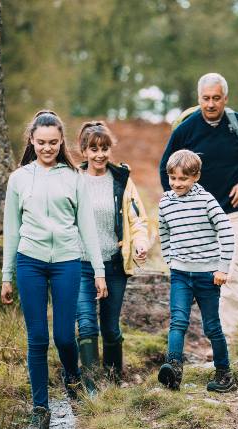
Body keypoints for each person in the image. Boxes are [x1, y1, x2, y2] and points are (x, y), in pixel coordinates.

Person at [1, 110, 107, 429]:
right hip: (29, 262)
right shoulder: (19, 179)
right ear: (32, 142)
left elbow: (87, 228)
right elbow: (11, 229)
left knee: (63, 336)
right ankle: (40, 411)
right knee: (37, 340)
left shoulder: (74, 177)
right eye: (41, 142)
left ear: (61, 142)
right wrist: (7, 275)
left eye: (53, 142)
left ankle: (72, 376)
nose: (47, 148)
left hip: (67, 261)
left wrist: (99, 270)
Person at [159, 73, 238, 337]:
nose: (210, 104)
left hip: (231, 213)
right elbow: (165, 169)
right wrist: (179, 205)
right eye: (206, 98)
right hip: (197, 218)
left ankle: (230, 343)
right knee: (204, 278)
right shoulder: (186, 130)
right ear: (199, 99)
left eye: (216, 98)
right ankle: (212, 338)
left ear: (225, 99)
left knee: (229, 272)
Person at [74, 121, 150, 394]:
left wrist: (140, 242)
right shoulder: (73, 180)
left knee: (110, 328)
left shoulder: (122, 180)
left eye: (104, 148)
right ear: (83, 150)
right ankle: (94, 390)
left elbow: (137, 218)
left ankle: (114, 383)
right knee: (86, 324)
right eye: (93, 149)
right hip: (80, 264)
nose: (99, 155)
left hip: (114, 264)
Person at [157, 149, 236, 392]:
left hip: (207, 274)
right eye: (172, 178)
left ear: (196, 177)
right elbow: (164, 232)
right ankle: (173, 368)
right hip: (180, 273)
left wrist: (222, 268)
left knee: (211, 326)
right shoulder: (165, 202)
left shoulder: (207, 201)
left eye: (183, 179)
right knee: (177, 322)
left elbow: (227, 231)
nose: (176, 183)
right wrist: (170, 259)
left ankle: (224, 372)